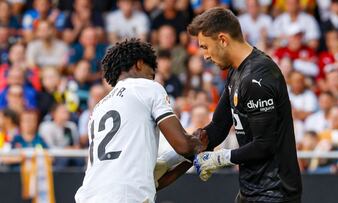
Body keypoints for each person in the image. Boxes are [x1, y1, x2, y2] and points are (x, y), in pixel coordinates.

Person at [187, 8, 302, 202]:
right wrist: (184, 152)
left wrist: (219, 158)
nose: (205, 56)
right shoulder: (236, 71)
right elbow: (218, 126)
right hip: (250, 190)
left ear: (223, 39)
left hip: (275, 193)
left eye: (205, 46)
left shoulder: (258, 77)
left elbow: (265, 145)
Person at [75, 39, 205, 203]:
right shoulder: (148, 87)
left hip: (89, 195)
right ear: (139, 64)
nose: (153, 78)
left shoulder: (98, 108)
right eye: (152, 73)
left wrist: (190, 158)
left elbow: (152, 183)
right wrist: (198, 143)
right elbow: (183, 145)